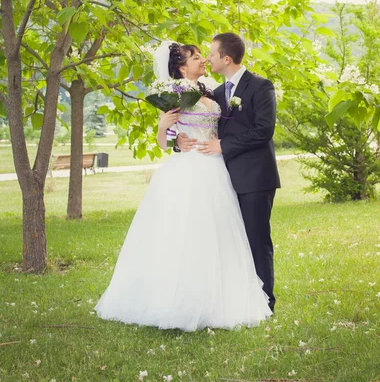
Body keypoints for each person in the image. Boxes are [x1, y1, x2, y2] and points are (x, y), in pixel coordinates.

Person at [95, 42, 272, 331]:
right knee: (184, 232)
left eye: (204, 55)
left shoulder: (210, 89)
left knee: (218, 233)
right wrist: (166, 128)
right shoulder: (173, 93)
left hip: (216, 169)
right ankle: (177, 299)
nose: (203, 60)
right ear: (181, 67)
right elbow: (164, 142)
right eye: (196, 57)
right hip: (188, 171)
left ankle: (220, 298)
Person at [178, 33, 280, 312]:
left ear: (226, 58)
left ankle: (265, 301)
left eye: (211, 53)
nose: (207, 58)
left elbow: (264, 130)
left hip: (255, 178)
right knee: (232, 240)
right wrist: (179, 141)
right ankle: (238, 298)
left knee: (256, 239)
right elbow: (198, 122)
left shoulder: (261, 86)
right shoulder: (217, 93)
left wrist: (224, 144)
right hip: (223, 179)